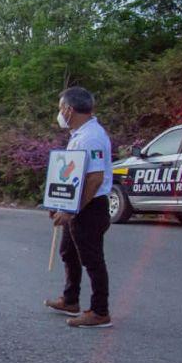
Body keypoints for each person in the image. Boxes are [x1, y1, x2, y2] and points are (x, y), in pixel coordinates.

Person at [44, 86, 114, 329]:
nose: (59, 114)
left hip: (90, 207)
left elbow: (94, 179)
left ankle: (99, 311)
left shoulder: (90, 137)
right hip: (77, 205)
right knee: (68, 252)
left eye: (60, 109)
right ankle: (70, 299)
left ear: (69, 109)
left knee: (92, 259)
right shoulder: (80, 134)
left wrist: (72, 210)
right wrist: (58, 203)